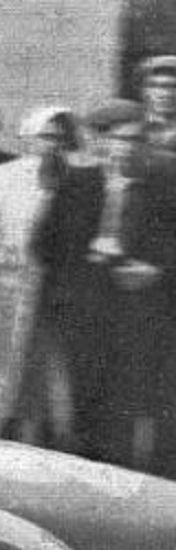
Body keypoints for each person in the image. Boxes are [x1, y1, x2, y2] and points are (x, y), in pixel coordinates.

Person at [0, 107, 97, 446]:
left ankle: (33, 439)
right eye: (46, 137)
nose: (52, 146)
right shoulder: (2, 176)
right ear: (29, 138)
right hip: (5, 286)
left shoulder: (74, 182)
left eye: (60, 139)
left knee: (39, 373)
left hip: (47, 290)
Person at [73, 100, 176, 471]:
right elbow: (53, 242)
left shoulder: (164, 182)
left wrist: (159, 270)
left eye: (137, 140)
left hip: (146, 306)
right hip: (89, 305)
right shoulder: (81, 181)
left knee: (141, 398)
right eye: (118, 139)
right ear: (104, 141)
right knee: (91, 395)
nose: (126, 147)